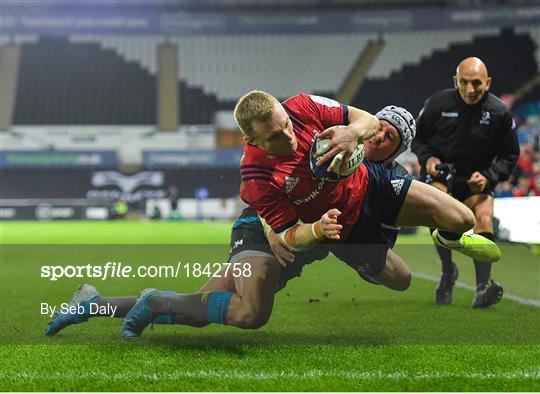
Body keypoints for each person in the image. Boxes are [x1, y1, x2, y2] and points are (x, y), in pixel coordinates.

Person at [44, 105, 414, 337]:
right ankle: (151, 302)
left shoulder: (380, 183)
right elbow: (275, 186)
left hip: (300, 242)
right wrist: (280, 231)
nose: (379, 138)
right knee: (250, 312)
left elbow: (378, 244)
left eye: (390, 138)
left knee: (197, 310)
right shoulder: (332, 143)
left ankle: (93, 303)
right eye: (378, 128)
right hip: (262, 229)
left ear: (399, 150)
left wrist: (361, 250)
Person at [412, 57, 519, 308]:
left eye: (477, 83)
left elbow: (510, 155)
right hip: (442, 175)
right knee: (437, 208)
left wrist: (490, 176)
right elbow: (418, 140)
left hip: (477, 180)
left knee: (483, 215)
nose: (470, 90)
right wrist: (428, 160)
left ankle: (483, 286)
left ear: (488, 82)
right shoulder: (437, 104)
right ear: (455, 81)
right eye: (464, 83)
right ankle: (449, 271)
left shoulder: (500, 112)